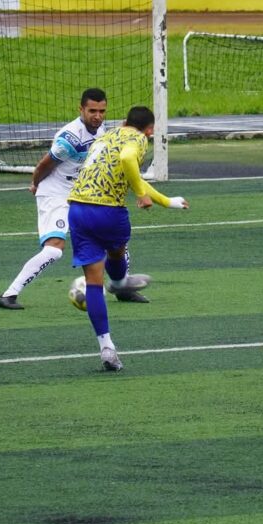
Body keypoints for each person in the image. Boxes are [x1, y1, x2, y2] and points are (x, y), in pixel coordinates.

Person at [0, 88, 150, 309]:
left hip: (82, 193)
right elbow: (44, 164)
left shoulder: (101, 130)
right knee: (54, 249)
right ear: (81, 109)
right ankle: (9, 295)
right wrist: (36, 183)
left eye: (102, 111)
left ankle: (121, 287)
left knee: (115, 238)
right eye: (92, 111)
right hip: (55, 193)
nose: (97, 116)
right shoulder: (70, 138)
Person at [66, 106, 188, 371]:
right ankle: (120, 281)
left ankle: (107, 348)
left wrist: (166, 201)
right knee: (117, 252)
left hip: (77, 208)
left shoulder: (106, 135)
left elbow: (129, 172)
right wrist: (141, 195)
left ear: (124, 121)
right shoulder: (138, 139)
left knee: (93, 284)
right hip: (108, 210)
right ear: (149, 130)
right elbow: (128, 159)